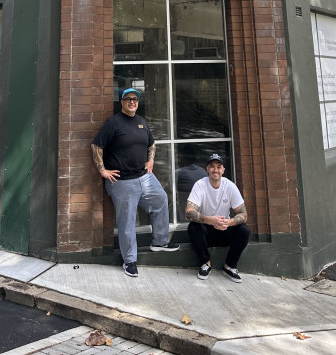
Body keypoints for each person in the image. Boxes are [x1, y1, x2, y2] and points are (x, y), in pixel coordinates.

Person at [92, 87, 179, 278]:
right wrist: (102, 170)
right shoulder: (113, 123)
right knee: (127, 221)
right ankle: (130, 260)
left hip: (144, 177)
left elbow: (151, 144)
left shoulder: (141, 122)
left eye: (135, 99)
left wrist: (151, 160)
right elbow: (97, 145)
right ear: (122, 102)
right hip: (122, 182)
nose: (132, 102)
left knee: (161, 200)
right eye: (128, 99)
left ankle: (160, 242)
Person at [185, 152, 250, 283]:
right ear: (207, 169)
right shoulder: (200, 185)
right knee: (193, 227)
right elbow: (189, 213)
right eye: (212, 166)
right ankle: (205, 264)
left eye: (219, 166)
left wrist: (229, 222)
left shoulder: (230, 186)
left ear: (223, 170)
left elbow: (244, 215)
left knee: (244, 230)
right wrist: (210, 220)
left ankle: (229, 266)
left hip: (224, 229)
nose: (215, 170)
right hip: (206, 232)